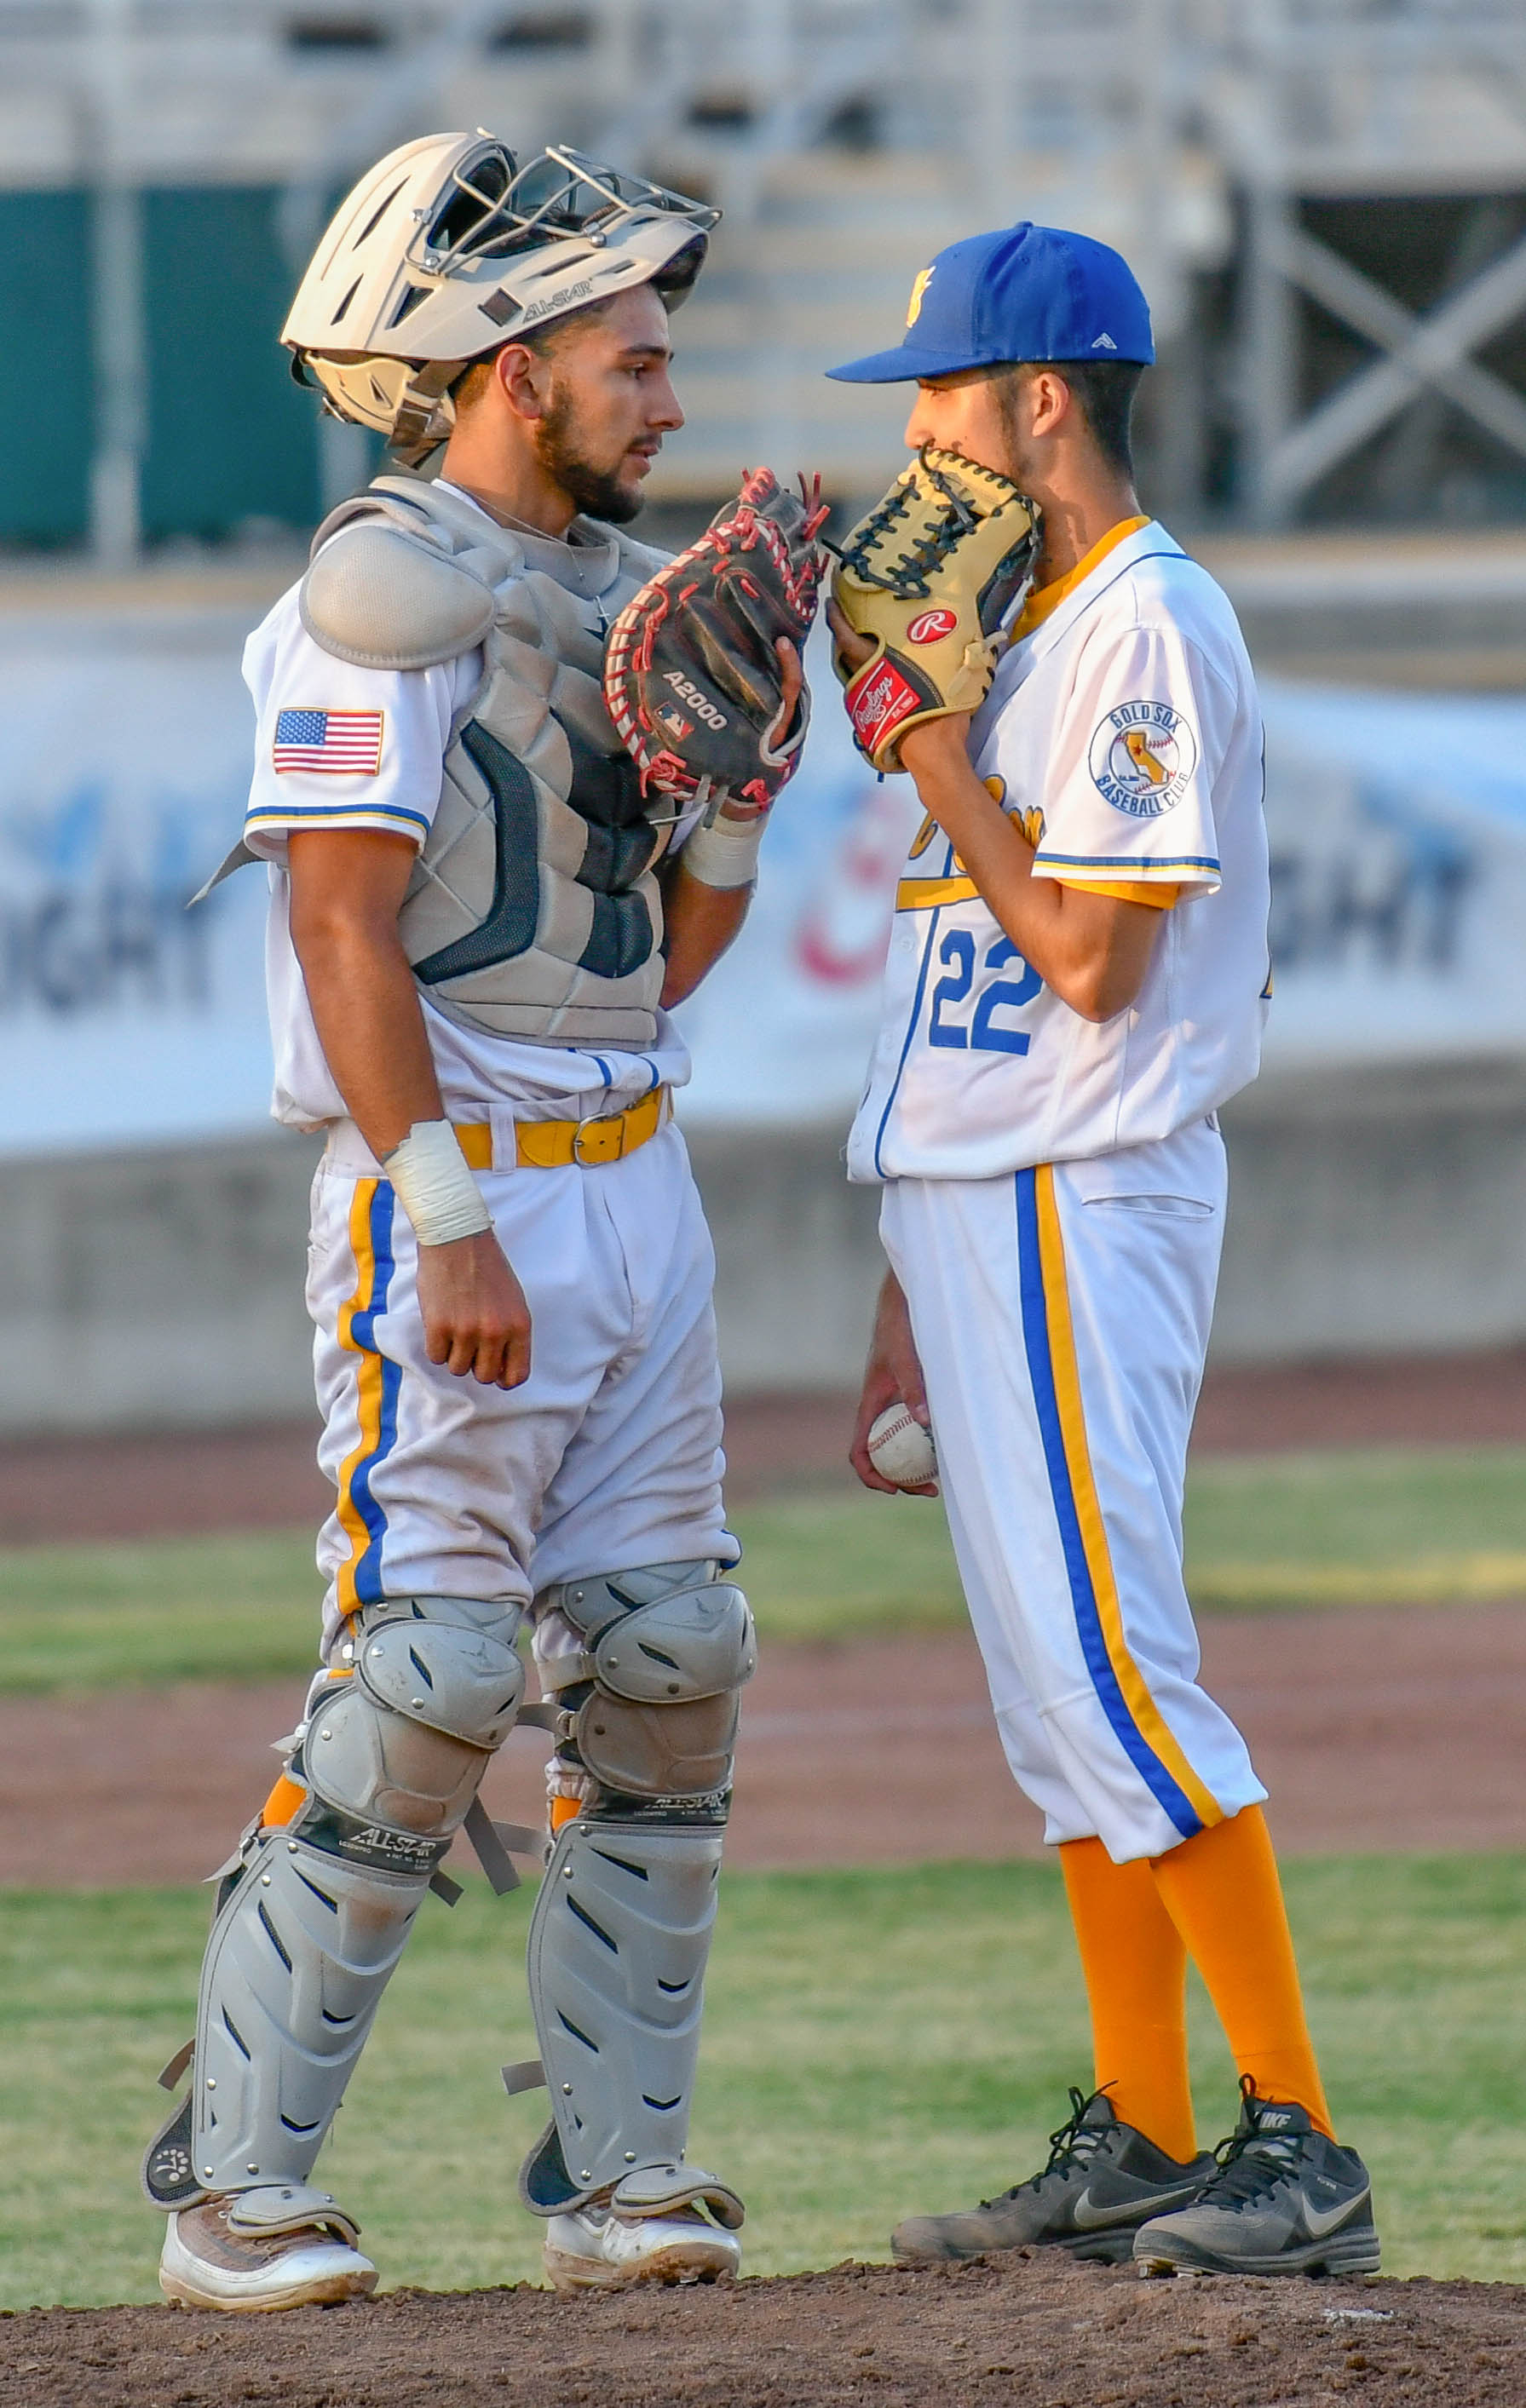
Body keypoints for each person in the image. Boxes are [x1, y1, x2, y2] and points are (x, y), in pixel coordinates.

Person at [143, 134, 791, 2310]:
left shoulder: (619, 602)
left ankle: (625, 2180)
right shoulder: (379, 588)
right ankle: (231, 2188)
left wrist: (732, 799)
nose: (668, 395)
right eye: (634, 352)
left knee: (672, 1659)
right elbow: (342, 925)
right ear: (503, 364)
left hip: (638, 1183)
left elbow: (662, 968)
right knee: (422, 1688)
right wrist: (446, 1220)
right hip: (461, 1203)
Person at [827, 222, 1379, 2279]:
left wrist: (930, 753)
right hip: (982, 1197)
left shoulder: (1140, 622)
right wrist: (901, 1268)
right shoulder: (1026, 623)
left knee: (1122, 1670)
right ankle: (1144, 2130)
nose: (918, 433)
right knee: (1050, 1697)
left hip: (1085, 1186)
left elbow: (1084, 958)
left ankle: (1296, 2141)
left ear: (1038, 397)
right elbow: (955, 974)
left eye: (939, 391)